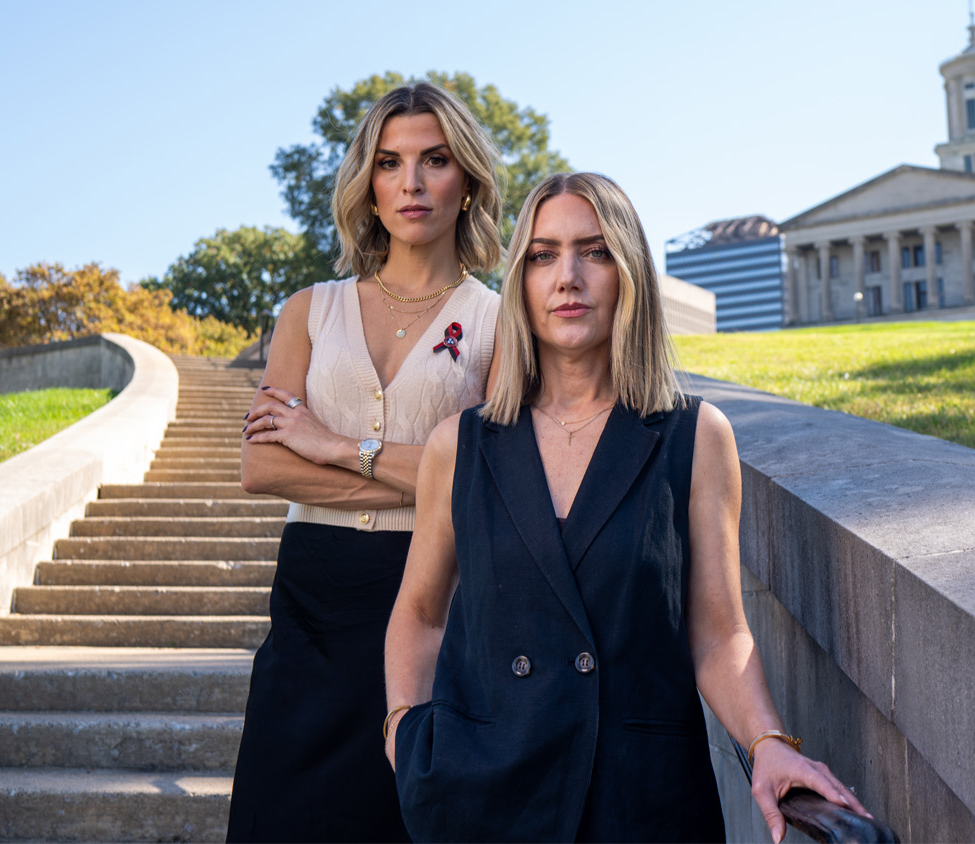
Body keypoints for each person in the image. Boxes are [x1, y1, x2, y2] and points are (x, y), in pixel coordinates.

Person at [384, 172, 870, 843]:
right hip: (484, 797)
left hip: (641, 798)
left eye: (596, 251)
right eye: (544, 255)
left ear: (630, 272)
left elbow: (719, 629)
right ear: (520, 281)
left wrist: (767, 742)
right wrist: (405, 733)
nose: (569, 277)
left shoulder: (694, 436)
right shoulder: (460, 445)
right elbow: (418, 613)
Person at [226, 82, 503, 843]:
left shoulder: (498, 323)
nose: (411, 183)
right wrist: (421, 474)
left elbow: (495, 482)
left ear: (468, 181)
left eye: (434, 160)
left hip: (434, 599)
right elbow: (263, 470)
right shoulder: (307, 310)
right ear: (368, 187)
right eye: (389, 163)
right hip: (311, 601)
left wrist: (335, 445)